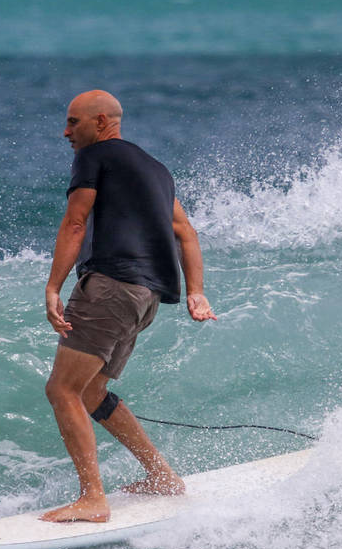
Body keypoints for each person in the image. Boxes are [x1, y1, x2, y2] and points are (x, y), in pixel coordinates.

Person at [41, 90, 216, 523]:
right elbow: (186, 232)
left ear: (101, 122)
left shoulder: (95, 155)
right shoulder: (156, 170)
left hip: (111, 286)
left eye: (73, 123)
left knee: (62, 390)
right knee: (91, 391)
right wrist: (196, 290)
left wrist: (53, 286)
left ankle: (92, 499)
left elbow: (76, 221)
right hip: (146, 294)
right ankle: (162, 477)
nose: (66, 132)